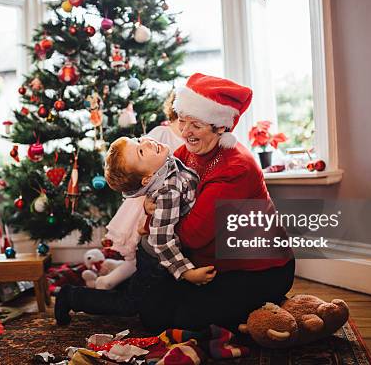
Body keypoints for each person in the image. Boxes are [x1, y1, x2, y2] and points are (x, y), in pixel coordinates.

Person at [136, 73, 295, 332]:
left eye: (195, 125)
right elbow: (159, 197)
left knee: (180, 322)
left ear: (220, 126)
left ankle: (268, 306)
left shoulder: (236, 166)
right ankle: (248, 311)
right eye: (183, 121)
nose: (186, 132)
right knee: (154, 315)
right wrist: (151, 208)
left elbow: (194, 235)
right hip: (208, 263)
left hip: (260, 270)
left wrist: (157, 217)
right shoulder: (186, 152)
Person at [54, 134, 214, 325]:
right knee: (131, 305)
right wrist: (187, 273)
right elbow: (161, 241)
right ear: (147, 178)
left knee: (154, 304)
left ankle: (127, 284)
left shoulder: (163, 163)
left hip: (160, 256)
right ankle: (71, 296)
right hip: (156, 259)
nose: (147, 142)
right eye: (140, 150)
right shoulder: (167, 193)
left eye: (138, 141)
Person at [95, 92, 185, 290]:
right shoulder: (161, 135)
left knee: (145, 251)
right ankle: (113, 279)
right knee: (142, 247)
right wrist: (145, 206)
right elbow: (136, 170)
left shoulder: (192, 139)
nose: (144, 142)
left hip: (172, 201)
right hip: (148, 202)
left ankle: (119, 269)